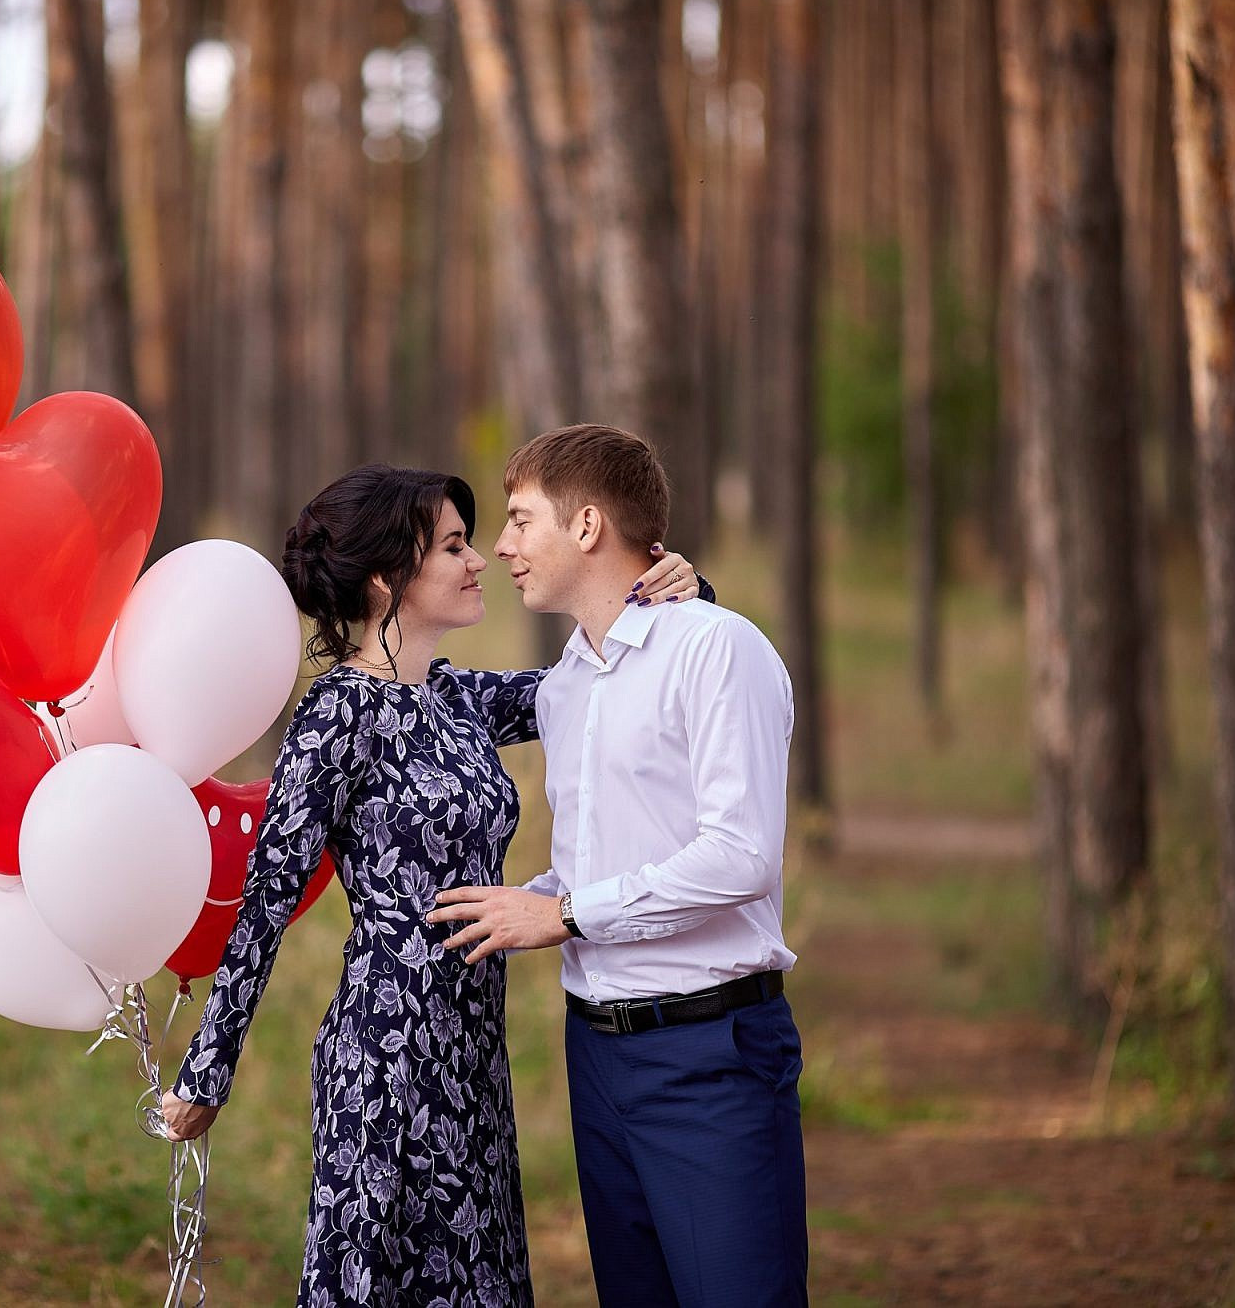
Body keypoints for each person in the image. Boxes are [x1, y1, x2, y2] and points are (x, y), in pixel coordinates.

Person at [159, 463, 705, 1307]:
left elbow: (598, 688)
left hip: (471, 1054)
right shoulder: (336, 717)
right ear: (387, 578)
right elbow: (266, 901)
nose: (480, 558)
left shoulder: (457, 699)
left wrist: (682, 588)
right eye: (453, 545)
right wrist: (207, 1072)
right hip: (384, 1055)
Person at [426, 424, 806, 1307]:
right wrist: (526, 903)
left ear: (588, 525)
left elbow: (740, 856)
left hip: (709, 1053)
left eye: (521, 520)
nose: (503, 547)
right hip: (596, 1056)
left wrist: (562, 916)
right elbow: (605, 862)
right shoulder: (566, 685)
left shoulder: (717, 649)